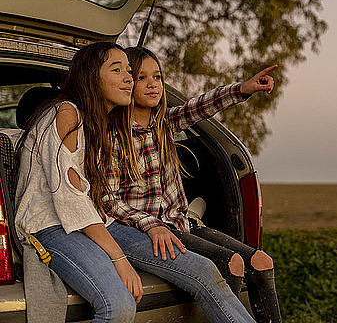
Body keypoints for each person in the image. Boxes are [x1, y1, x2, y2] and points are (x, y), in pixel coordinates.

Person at [14, 42, 256, 323]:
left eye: (129, 71)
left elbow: (193, 110)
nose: (129, 78)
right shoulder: (67, 114)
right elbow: (72, 200)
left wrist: (240, 90)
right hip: (53, 225)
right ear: (92, 76)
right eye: (118, 70)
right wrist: (119, 259)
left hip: (97, 222)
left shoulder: (101, 123)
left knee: (202, 269)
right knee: (117, 306)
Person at [106, 46, 282, 323]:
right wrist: (149, 224)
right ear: (127, 84)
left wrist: (243, 89)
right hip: (149, 229)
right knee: (232, 264)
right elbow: (108, 200)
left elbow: (202, 105)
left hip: (183, 223)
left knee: (262, 262)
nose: (153, 83)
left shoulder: (164, 124)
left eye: (158, 77)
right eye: (141, 78)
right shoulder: (114, 138)